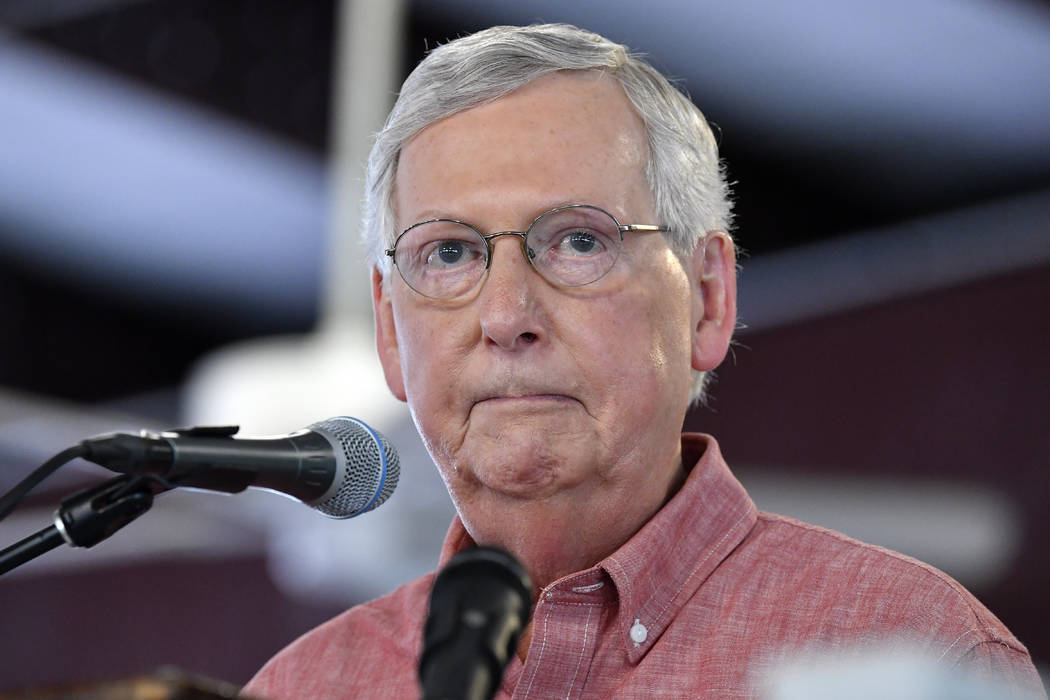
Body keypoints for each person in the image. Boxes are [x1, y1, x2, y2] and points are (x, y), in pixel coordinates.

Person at [243, 23, 1044, 699]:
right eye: (448, 253)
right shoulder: (308, 685)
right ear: (390, 330)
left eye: (579, 241)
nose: (505, 315)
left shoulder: (916, 651)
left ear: (707, 298)